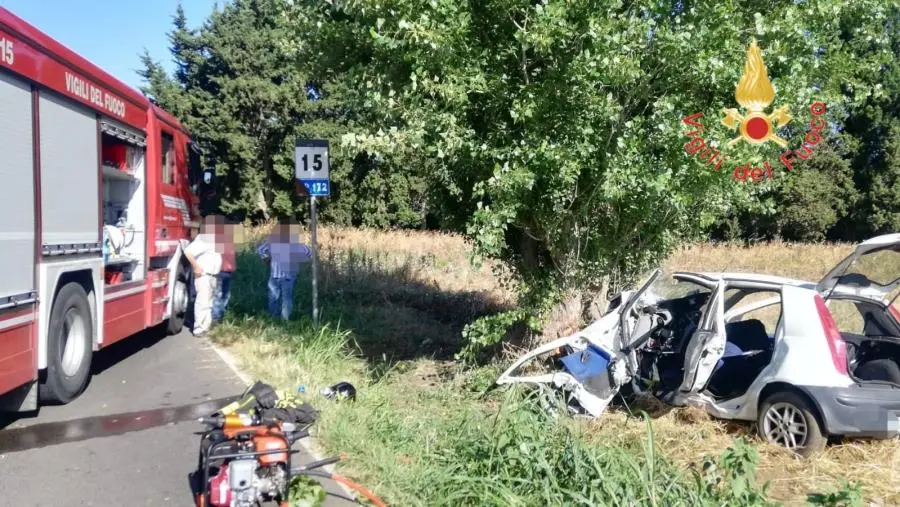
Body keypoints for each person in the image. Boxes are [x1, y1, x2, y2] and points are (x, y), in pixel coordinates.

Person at [257, 219, 312, 320]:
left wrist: (267, 260)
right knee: (285, 298)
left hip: (277, 274)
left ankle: (274, 318)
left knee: (274, 297)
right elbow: (309, 253)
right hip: (286, 275)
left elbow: (261, 250)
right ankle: (283, 320)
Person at [183, 216, 223, 337]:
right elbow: (188, 252)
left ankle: (206, 326)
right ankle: (199, 328)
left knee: (209, 303)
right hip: (204, 275)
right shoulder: (203, 239)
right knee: (203, 303)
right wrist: (196, 267)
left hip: (213, 275)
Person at [212, 218, 236, 324]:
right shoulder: (216, 240)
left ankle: (221, 314)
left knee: (226, 293)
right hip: (219, 270)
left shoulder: (231, 240)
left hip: (228, 270)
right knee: (219, 293)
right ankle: (216, 317)